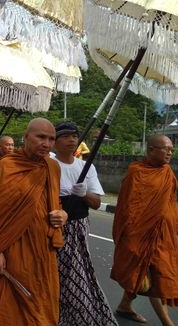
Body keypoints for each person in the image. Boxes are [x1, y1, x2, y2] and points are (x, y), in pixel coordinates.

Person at [0, 118, 68, 325]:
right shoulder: (7, 167)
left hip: (43, 251)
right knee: (11, 306)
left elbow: (55, 201)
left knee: (42, 304)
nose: (47, 144)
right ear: (25, 137)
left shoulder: (52, 167)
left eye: (51, 139)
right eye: (41, 137)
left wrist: (63, 214)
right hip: (13, 249)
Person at [51, 122, 117, 326]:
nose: (72, 140)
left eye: (75, 136)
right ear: (55, 142)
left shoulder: (86, 167)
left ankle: (78, 317)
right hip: (52, 225)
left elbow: (96, 202)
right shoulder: (47, 164)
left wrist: (83, 193)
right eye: (66, 136)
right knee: (51, 274)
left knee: (76, 274)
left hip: (78, 227)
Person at [111, 134, 178, 325]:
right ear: (151, 150)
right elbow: (127, 208)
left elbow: (170, 205)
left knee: (143, 274)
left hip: (162, 235)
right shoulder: (136, 173)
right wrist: (128, 238)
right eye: (166, 149)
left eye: (171, 149)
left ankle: (125, 306)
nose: (170, 153)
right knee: (156, 278)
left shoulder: (167, 173)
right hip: (140, 236)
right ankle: (167, 322)